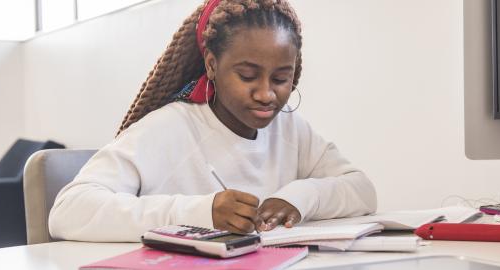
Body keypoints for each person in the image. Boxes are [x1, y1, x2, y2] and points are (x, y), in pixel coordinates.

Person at [48, 0, 377, 242]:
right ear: (211, 65)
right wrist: (200, 214)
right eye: (247, 75)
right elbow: (69, 210)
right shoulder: (166, 129)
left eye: (281, 78)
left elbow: (361, 189)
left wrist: (297, 198)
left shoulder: (291, 130)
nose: (266, 94)